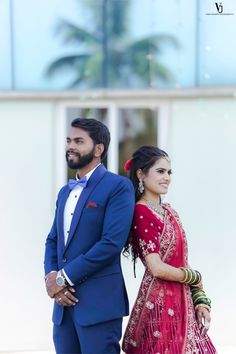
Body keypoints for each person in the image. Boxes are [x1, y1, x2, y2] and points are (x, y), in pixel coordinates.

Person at [44, 118, 135, 354]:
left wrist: (63, 278)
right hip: (63, 310)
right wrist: (51, 278)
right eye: (68, 141)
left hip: (99, 306)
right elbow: (53, 240)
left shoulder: (119, 187)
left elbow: (111, 244)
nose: (70, 146)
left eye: (78, 141)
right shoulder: (65, 192)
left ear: (98, 149)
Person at [122, 146, 217, 354]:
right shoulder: (141, 211)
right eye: (160, 171)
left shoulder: (169, 211)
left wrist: (201, 298)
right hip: (161, 305)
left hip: (183, 301)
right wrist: (194, 276)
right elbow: (156, 267)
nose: (167, 178)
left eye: (169, 172)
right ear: (141, 174)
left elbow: (180, 261)